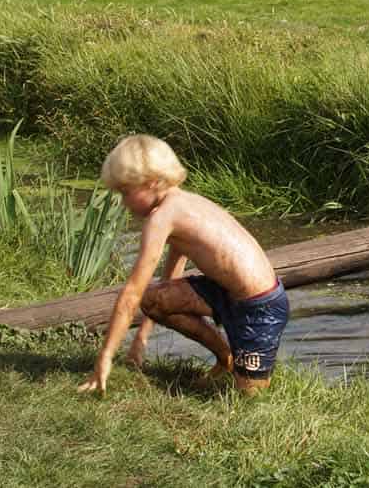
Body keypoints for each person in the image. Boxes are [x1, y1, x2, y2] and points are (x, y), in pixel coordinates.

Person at [78, 135, 289, 396]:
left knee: (249, 397)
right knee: (155, 299)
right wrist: (140, 341)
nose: (123, 202)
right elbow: (169, 278)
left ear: (153, 182)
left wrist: (105, 357)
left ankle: (242, 369)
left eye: (126, 192)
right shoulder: (179, 204)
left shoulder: (163, 217)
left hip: (261, 306)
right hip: (226, 293)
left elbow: (131, 293)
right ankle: (226, 357)